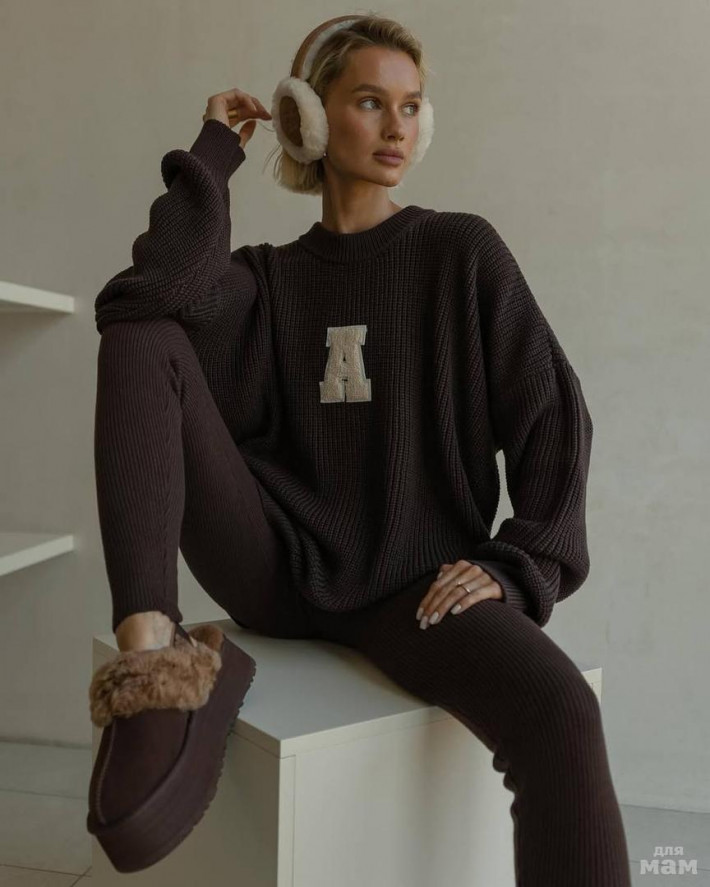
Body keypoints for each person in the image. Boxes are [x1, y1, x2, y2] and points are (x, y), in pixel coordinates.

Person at [89, 13, 632, 885]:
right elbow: (146, 293)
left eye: (411, 106)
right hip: (272, 563)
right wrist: (214, 154)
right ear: (308, 118)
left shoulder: (461, 250)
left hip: (416, 584)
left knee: (561, 710)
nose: (396, 127)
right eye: (370, 101)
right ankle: (152, 661)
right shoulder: (265, 277)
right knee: (142, 333)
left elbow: (554, 416)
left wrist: (523, 559)